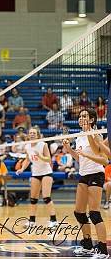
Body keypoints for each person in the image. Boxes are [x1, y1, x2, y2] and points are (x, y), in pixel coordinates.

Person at [63, 109, 109, 257]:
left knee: (94, 214)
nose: (81, 118)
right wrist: (69, 149)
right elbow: (80, 158)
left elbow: (101, 157)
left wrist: (90, 136)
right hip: (83, 175)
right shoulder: (79, 137)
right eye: (80, 116)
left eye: (85, 116)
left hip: (96, 174)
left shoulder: (97, 135)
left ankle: (103, 250)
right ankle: (88, 245)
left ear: (92, 120)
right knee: (79, 212)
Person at [16, 127, 58, 229]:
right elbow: (27, 160)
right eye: (30, 133)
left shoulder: (43, 144)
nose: (32, 134)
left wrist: (40, 156)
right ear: (28, 135)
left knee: (46, 197)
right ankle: (32, 221)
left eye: (34, 133)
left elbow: (48, 159)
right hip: (35, 173)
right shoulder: (27, 146)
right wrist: (21, 169)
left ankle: (54, 221)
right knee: (33, 199)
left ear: (38, 135)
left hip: (46, 173)